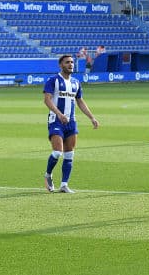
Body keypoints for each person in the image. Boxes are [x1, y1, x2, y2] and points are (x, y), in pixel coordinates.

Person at [42, 54, 100, 194]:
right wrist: (59, 114)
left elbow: (80, 101)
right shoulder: (53, 80)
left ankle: (64, 184)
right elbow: (47, 100)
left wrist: (92, 117)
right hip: (56, 120)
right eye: (67, 62)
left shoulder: (75, 82)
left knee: (69, 155)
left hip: (71, 122)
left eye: (72, 62)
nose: (71, 64)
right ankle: (48, 174)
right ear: (61, 65)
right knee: (57, 152)